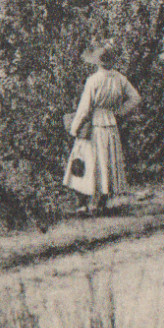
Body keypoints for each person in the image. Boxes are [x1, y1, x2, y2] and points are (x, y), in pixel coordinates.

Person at [64, 43, 141, 214]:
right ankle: (100, 204)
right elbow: (135, 98)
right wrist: (119, 112)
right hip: (111, 125)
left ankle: (84, 204)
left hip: (94, 126)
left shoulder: (94, 80)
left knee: (85, 162)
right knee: (107, 162)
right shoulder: (120, 78)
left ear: (97, 62)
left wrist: (74, 128)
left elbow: (84, 108)